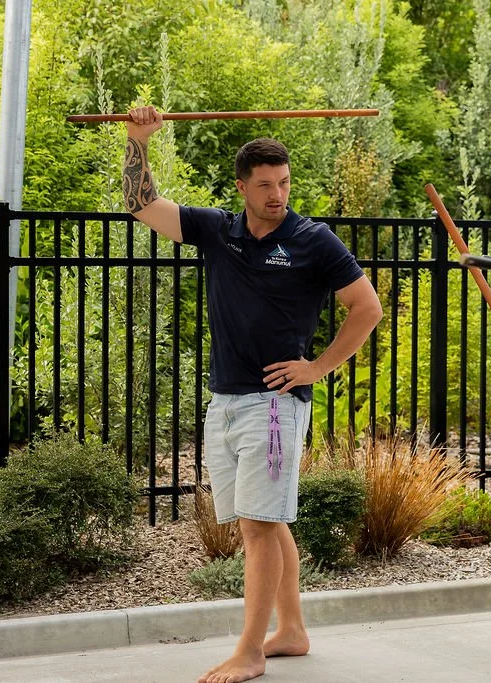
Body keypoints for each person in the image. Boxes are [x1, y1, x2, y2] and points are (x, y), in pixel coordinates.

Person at [122, 105, 383, 683]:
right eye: (264, 184)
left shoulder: (313, 240)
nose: (277, 194)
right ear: (241, 187)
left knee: (259, 526)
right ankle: (289, 630)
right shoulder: (219, 231)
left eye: (284, 182)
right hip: (227, 400)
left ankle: (250, 650)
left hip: (274, 405)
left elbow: (367, 309)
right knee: (259, 521)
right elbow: (141, 205)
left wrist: (316, 367)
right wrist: (138, 140)